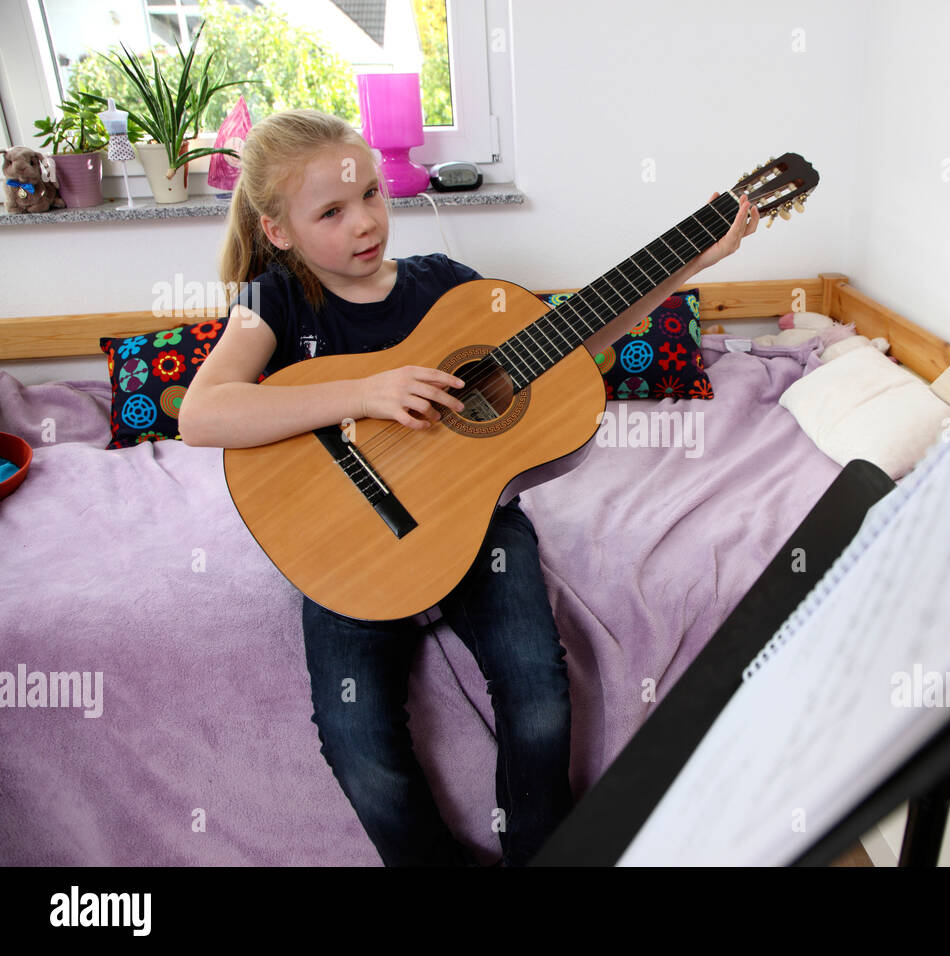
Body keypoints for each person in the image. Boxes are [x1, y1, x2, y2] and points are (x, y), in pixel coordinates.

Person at [180, 108, 758, 866]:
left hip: (478, 523)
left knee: (539, 691)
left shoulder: (448, 288)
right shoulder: (274, 302)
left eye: (371, 194)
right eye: (331, 212)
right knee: (354, 734)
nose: (365, 222)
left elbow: (572, 342)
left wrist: (687, 264)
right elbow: (201, 414)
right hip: (346, 539)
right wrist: (365, 392)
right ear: (277, 230)